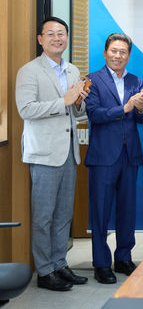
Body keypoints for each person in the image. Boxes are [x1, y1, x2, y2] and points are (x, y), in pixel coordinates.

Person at [15, 16, 89, 291]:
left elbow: (77, 112)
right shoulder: (29, 71)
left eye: (61, 33)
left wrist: (78, 103)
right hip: (44, 153)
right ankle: (45, 271)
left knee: (63, 215)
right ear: (40, 39)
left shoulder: (72, 70)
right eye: (51, 34)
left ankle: (60, 263)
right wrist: (63, 101)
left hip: (69, 152)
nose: (57, 38)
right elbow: (26, 109)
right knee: (44, 216)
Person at [85, 33, 143, 284]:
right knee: (100, 212)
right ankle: (101, 263)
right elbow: (94, 114)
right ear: (105, 53)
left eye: (123, 52)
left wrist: (140, 109)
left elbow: (141, 119)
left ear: (129, 56)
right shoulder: (92, 80)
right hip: (103, 155)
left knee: (127, 210)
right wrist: (124, 108)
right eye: (114, 51)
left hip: (129, 154)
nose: (118, 55)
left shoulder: (136, 80)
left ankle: (123, 257)